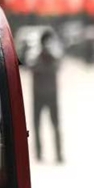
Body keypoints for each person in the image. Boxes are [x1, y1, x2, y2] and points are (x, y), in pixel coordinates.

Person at [29, 30, 64, 163]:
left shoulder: (54, 56)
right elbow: (31, 66)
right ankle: (39, 153)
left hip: (51, 95)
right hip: (38, 95)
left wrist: (50, 58)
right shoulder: (35, 55)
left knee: (55, 125)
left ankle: (58, 154)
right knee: (37, 125)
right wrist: (42, 59)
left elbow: (58, 66)